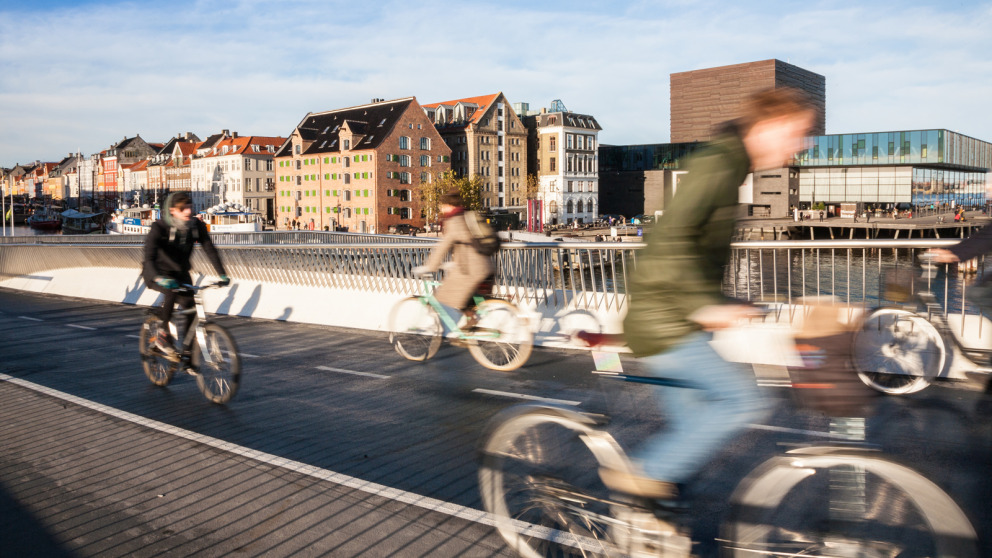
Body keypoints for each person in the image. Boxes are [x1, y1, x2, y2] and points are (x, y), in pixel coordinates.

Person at [606, 87, 816, 501]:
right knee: (744, 403)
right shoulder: (719, 164)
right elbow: (671, 239)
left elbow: (693, 250)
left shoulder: (732, 165)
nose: (801, 146)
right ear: (769, 125)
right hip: (665, 322)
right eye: (797, 133)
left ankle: (647, 523)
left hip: (673, 317)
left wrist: (727, 302)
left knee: (691, 433)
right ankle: (639, 476)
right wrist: (703, 304)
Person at [143, 192, 229, 360]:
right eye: (183, 209)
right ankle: (162, 335)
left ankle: (187, 353)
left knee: (191, 306)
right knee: (171, 291)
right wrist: (159, 278)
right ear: (173, 211)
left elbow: (209, 248)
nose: (188, 212)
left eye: (190, 207)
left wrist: (222, 273)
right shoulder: (159, 228)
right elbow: (149, 258)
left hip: (181, 273)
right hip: (158, 272)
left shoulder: (196, 226)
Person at [412, 189, 494, 330]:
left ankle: (447, 328)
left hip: (472, 270)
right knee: (465, 299)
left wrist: (430, 267)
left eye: (443, 205)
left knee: (443, 295)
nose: (441, 209)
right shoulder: (466, 215)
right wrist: (452, 263)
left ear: (449, 205)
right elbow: (466, 245)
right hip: (485, 266)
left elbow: (444, 245)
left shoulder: (455, 221)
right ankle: (470, 324)